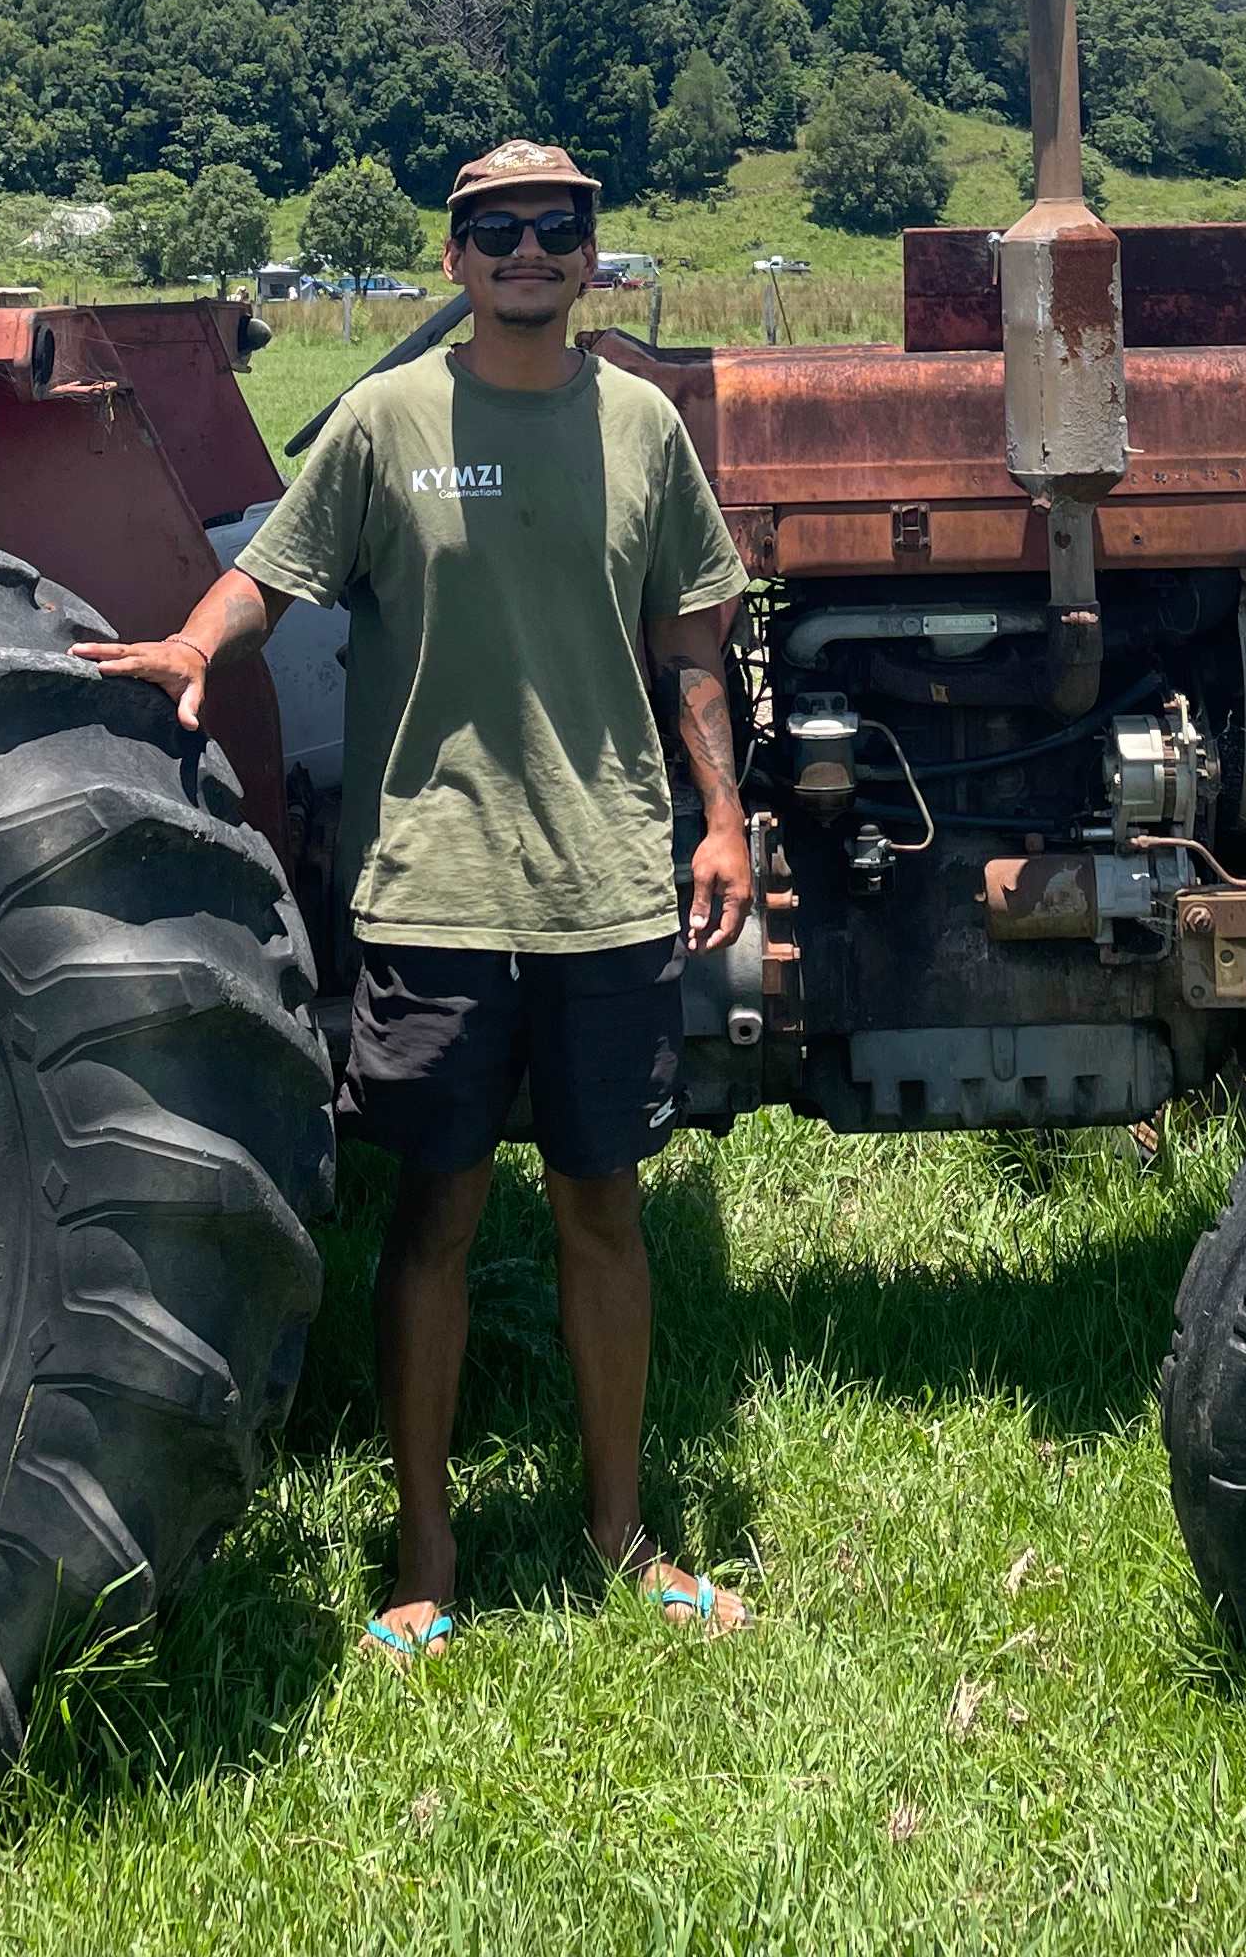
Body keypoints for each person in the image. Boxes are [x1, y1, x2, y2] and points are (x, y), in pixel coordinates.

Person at [70, 136, 756, 1663]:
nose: (529, 250)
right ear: (455, 260)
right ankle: (424, 1547)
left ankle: (622, 1528)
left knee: (604, 1208)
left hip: (605, 884)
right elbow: (279, 575)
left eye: (558, 227)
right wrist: (193, 645)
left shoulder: (643, 428)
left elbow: (693, 646)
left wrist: (724, 821)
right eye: (498, 229)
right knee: (436, 1212)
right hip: (433, 887)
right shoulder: (386, 421)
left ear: (591, 255)